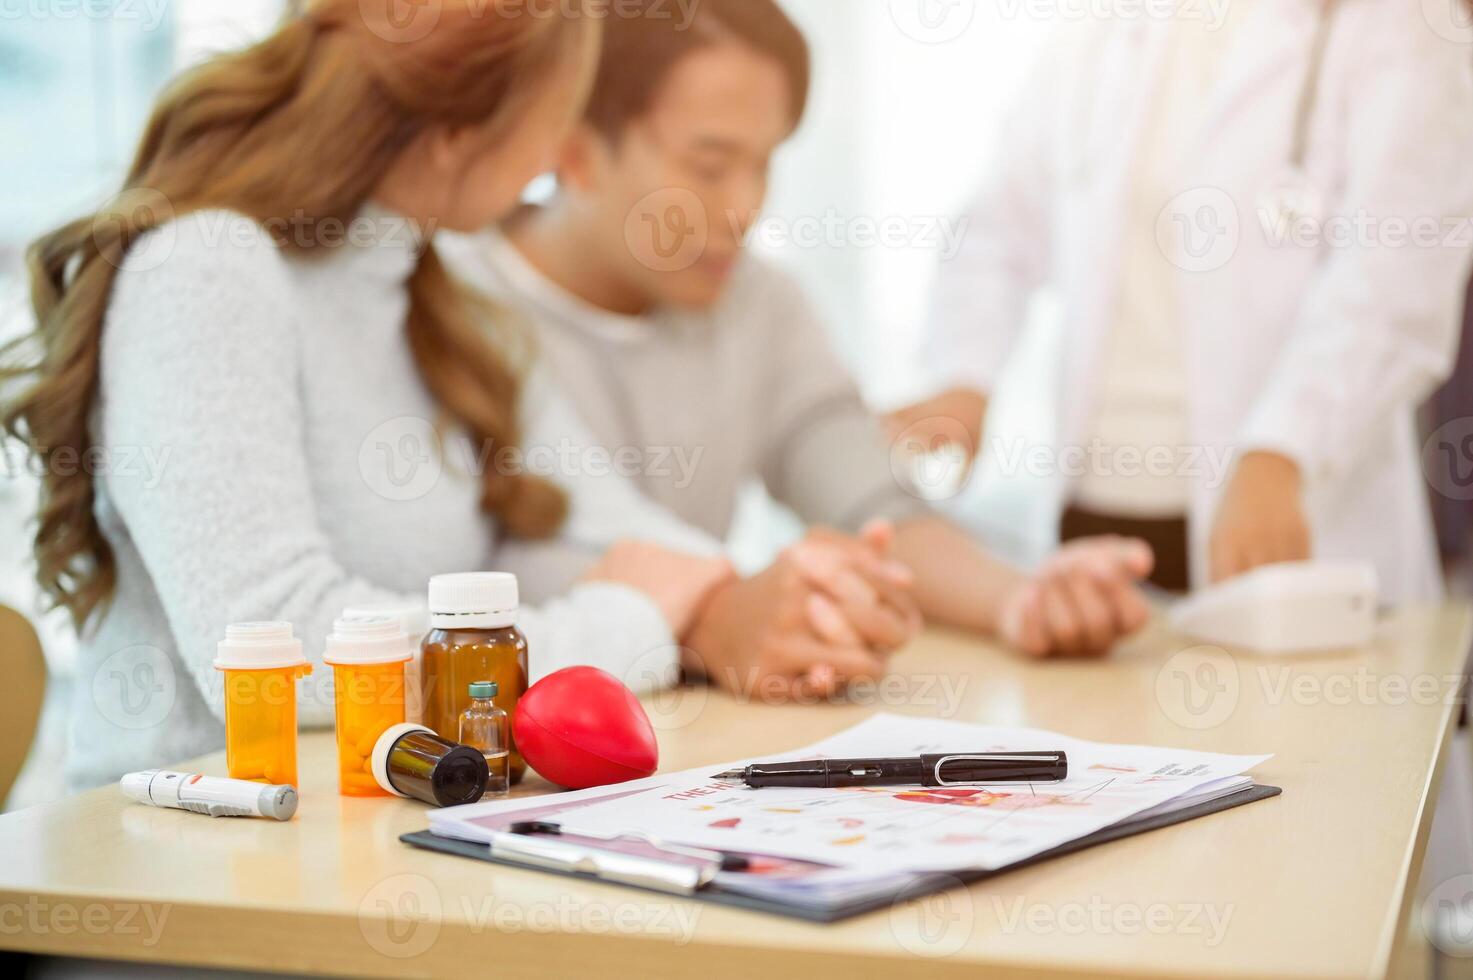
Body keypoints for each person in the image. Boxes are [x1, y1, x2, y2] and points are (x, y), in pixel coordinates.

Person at [0, 0, 917, 788]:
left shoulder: (443, 299)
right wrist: (640, 620)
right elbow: (286, 648)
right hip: (194, 881)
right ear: (458, 131)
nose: (565, 152)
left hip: (384, 836)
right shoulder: (208, 272)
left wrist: (782, 597)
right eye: (559, 115)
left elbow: (595, 524)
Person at [440, 0, 1156, 659]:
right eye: (710, 165)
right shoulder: (438, 303)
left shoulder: (757, 302)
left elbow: (867, 501)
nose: (745, 207)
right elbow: (475, 575)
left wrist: (1022, 601)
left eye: (764, 163)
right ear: (573, 150)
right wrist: (717, 617)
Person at [891, 0, 1473, 600]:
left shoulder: (1402, 23)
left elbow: (1395, 279)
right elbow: (996, 230)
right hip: (1093, 523)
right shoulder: (1103, 26)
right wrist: (965, 377)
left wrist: (1282, 450)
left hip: (1286, 518)